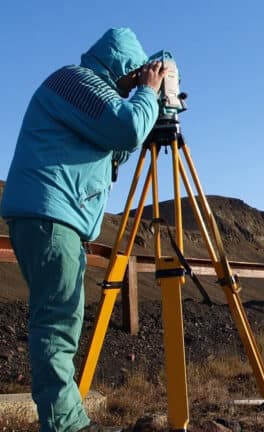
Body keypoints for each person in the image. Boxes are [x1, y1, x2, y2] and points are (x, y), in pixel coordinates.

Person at [0, 28, 168, 432]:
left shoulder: (93, 95)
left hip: (50, 215)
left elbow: (119, 147)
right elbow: (126, 128)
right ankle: (65, 425)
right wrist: (147, 92)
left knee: (60, 318)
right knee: (57, 322)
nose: (133, 86)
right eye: (134, 76)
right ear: (124, 66)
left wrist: (153, 107)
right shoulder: (76, 81)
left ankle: (66, 418)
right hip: (50, 214)